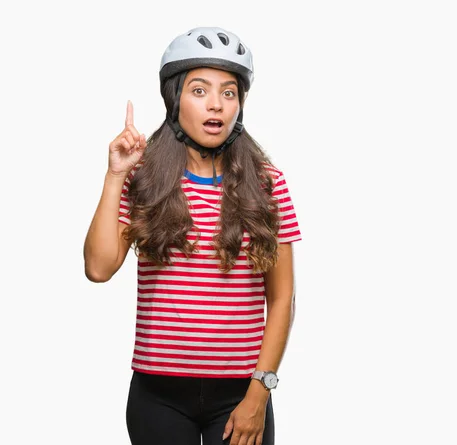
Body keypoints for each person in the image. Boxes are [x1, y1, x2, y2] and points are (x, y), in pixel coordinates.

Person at [83, 26, 302, 445]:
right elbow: (97, 267)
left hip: (241, 393)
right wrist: (116, 176)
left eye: (229, 92)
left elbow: (281, 299)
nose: (216, 104)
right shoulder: (144, 179)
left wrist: (260, 393)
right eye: (199, 91)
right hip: (157, 395)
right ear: (174, 98)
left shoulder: (268, 183)